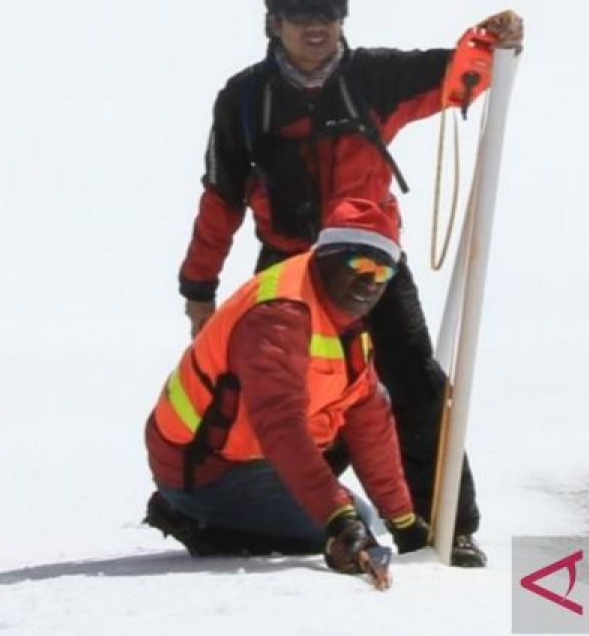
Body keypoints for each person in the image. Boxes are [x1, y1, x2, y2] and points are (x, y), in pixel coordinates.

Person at [176, 0, 524, 566]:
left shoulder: (375, 78)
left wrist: (492, 39)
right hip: (287, 274)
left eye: (330, 17)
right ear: (274, 22)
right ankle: (257, 515)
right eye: (304, 17)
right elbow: (221, 196)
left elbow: (463, 73)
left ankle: (446, 527)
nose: (318, 29)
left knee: (413, 383)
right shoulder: (244, 100)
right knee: (282, 403)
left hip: (371, 266)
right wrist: (199, 289)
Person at [146, 199, 431, 574]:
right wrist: (337, 521)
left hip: (249, 454)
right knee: (349, 520)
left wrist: (403, 520)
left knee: (362, 514)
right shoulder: (280, 314)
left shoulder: (345, 317)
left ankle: (234, 515)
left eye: (383, 271)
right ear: (326, 256)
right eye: (359, 264)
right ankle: (197, 520)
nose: (370, 280)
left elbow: (368, 419)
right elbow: (282, 425)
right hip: (202, 466)